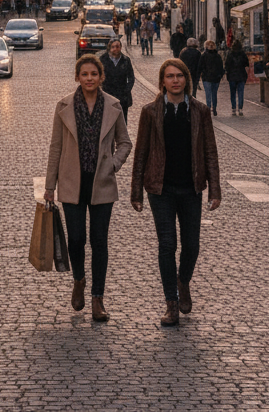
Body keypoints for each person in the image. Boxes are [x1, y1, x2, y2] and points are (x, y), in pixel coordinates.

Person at [131, 58, 221, 325]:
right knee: (167, 244)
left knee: (191, 245)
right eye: (170, 76)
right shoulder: (150, 112)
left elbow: (210, 152)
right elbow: (141, 153)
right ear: (162, 82)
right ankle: (171, 302)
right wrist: (136, 192)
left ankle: (183, 281)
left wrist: (214, 189)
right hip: (160, 188)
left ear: (187, 80)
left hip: (191, 187)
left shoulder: (200, 111)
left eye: (180, 76)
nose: (175, 81)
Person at [44, 54, 132, 323]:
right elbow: (56, 147)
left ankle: (98, 298)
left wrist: (113, 165)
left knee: (99, 242)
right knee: (76, 239)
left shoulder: (113, 106)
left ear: (101, 77)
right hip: (72, 182)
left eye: (94, 74)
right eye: (85, 74)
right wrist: (50, 186)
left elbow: (125, 143)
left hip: (101, 184)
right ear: (77, 77)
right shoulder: (64, 106)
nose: (90, 78)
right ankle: (79, 280)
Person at [100, 38, 136, 129]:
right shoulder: (103, 60)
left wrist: (126, 90)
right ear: (109, 48)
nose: (116, 49)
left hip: (122, 96)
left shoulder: (125, 60)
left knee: (122, 122)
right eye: (113, 47)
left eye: (118, 46)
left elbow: (131, 77)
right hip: (108, 95)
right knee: (108, 122)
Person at [198, 40, 225, 115]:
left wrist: (200, 75)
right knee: (214, 94)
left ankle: (208, 109)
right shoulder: (217, 56)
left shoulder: (203, 56)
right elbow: (221, 67)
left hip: (207, 78)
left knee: (208, 94)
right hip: (216, 78)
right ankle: (214, 108)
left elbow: (200, 66)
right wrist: (221, 75)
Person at [224, 40, 249, 116]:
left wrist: (226, 74)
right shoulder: (243, 54)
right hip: (241, 75)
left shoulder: (230, 54)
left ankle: (234, 108)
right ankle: (240, 108)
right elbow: (247, 64)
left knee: (233, 93)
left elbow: (227, 66)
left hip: (232, 76)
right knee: (241, 92)